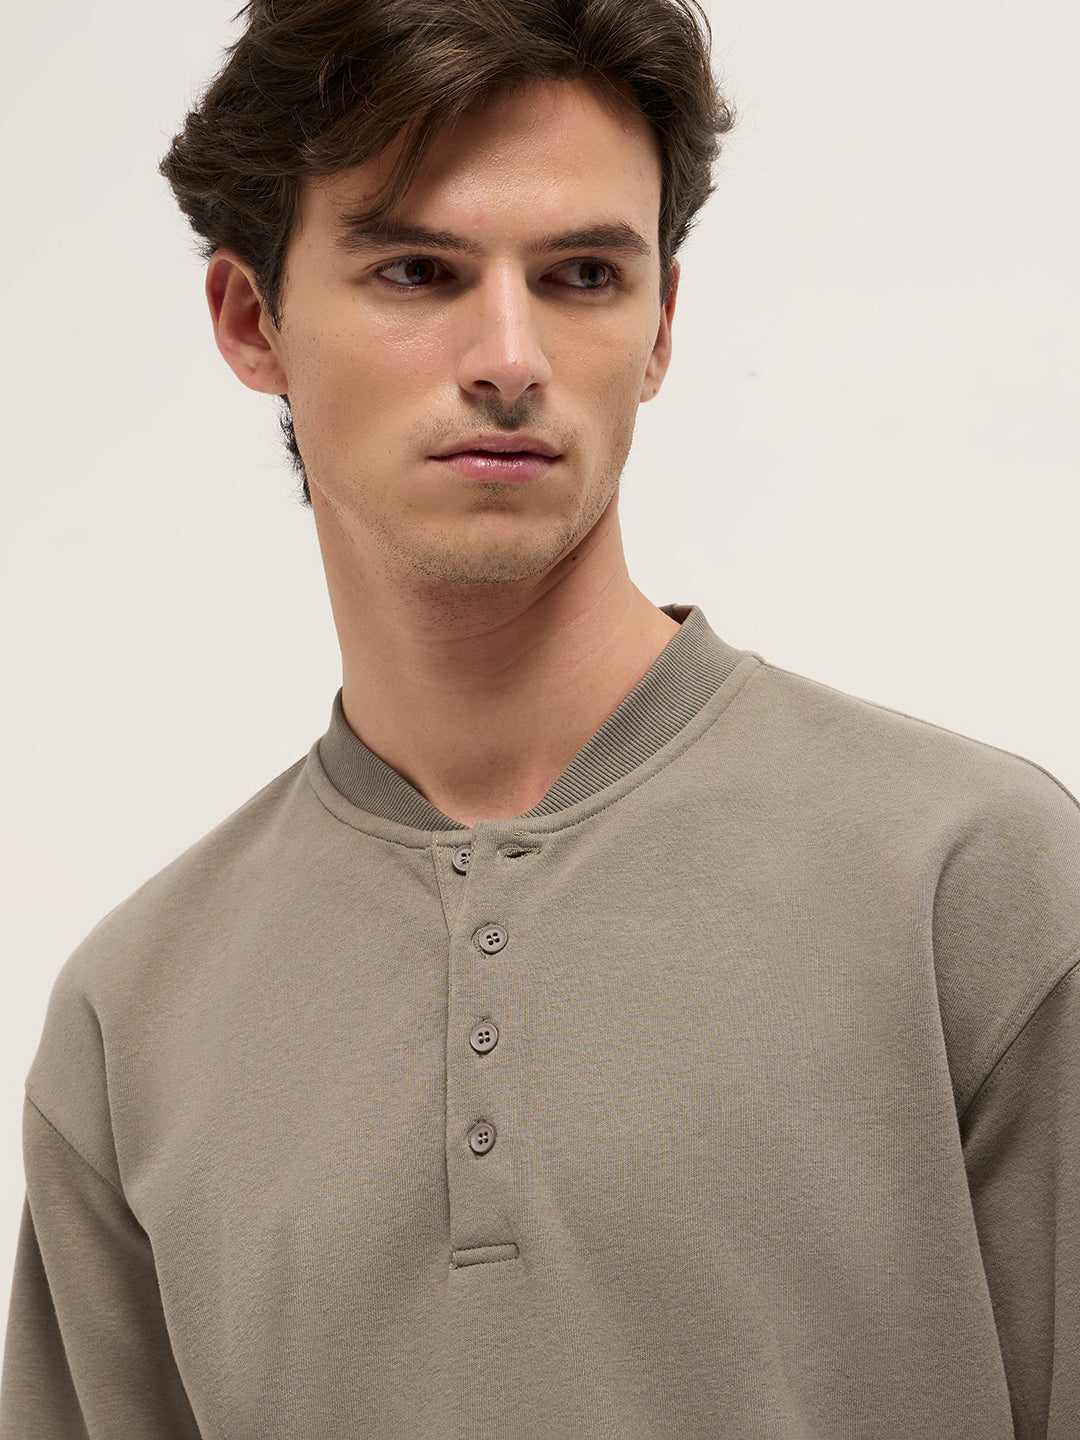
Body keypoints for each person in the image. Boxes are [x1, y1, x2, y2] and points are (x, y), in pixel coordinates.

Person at [1, 0, 1077, 1434]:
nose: (509, 355)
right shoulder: (130, 1024)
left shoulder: (977, 885)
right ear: (254, 322)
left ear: (661, 326)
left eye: (580, 275)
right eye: (417, 270)